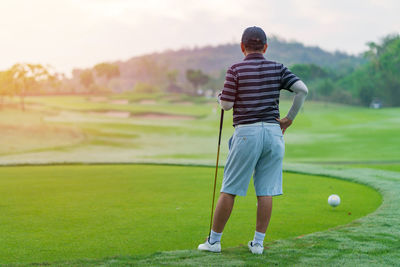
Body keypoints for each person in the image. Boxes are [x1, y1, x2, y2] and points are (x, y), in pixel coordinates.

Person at [198, 26, 308, 254]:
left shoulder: (235, 69)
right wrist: (288, 119)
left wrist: (220, 97)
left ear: (242, 47)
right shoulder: (277, 68)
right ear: (265, 47)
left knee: (230, 189)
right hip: (273, 132)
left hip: (247, 133)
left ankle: (214, 242)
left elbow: (226, 105)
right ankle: (258, 244)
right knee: (265, 190)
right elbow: (302, 90)